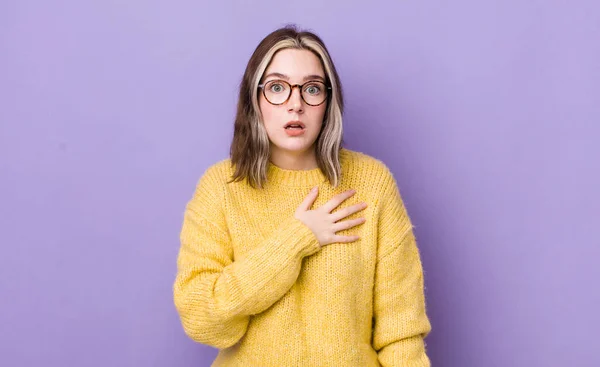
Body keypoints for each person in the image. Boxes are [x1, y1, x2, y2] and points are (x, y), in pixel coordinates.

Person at [173, 24, 432, 366]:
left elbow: (401, 332)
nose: (295, 105)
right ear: (255, 99)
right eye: (278, 88)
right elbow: (203, 318)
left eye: (311, 89)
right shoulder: (222, 187)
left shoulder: (371, 183)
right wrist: (297, 239)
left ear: (328, 100)